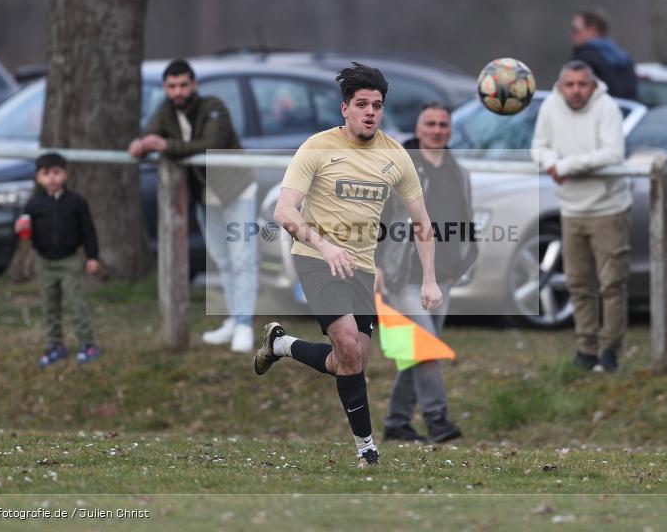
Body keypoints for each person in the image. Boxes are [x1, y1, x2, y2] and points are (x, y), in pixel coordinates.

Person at [253, 62, 442, 468]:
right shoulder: (317, 148)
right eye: (362, 104)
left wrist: (430, 280)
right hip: (316, 259)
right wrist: (324, 246)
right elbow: (284, 211)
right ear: (345, 109)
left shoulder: (396, 157)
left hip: (361, 267)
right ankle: (367, 451)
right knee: (349, 347)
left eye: (377, 104)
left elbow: (422, 223)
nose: (370, 111)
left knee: (348, 361)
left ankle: (281, 345)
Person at [129, 59, 257, 353]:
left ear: (194, 85)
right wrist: (141, 144)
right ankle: (232, 319)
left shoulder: (214, 107)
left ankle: (244, 324)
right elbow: (149, 135)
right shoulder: (166, 110)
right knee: (222, 259)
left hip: (237, 191)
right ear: (166, 88)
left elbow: (207, 145)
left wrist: (163, 145)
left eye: (184, 85)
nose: (178, 92)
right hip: (205, 194)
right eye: (172, 86)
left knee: (242, 258)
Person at [375, 102, 477, 443]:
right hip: (404, 275)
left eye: (443, 125)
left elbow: (465, 218)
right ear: (418, 129)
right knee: (426, 348)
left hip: (442, 276)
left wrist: (466, 256)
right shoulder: (400, 166)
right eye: (430, 124)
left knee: (417, 351)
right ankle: (438, 421)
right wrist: (375, 263)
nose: (436, 130)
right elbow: (379, 218)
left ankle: (396, 423)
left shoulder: (457, 170)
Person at [532, 60, 632, 373]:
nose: (576, 90)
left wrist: (564, 167)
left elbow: (612, 153)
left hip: (608, 208)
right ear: (561, 86)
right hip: (571, 209)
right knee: (578, 283)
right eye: (570, 84)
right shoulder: (550, 105)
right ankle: (586, 348)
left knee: (612, 284)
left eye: (582, 84)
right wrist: (550, 161)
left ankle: (610, 351)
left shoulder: (607, 108)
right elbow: (538, 146)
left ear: (593, 85)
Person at [17, 152, 101, 367]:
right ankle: (54, 345)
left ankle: (87, 343)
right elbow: (26, 231)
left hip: (70, 260)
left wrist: (92, 257)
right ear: (38, 178)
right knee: (49, 305)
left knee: (76, 302)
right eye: (46, 174)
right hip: (45, 262)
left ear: (65, 174)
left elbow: (88, 231)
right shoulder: (34, 205)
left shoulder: (76, 202)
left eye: (56, 172)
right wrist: (21, 230)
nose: (52, 178)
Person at [570, 10, 637, 100]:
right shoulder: (624, 58)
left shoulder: (583, 57)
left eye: (575, 30)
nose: (572, 34)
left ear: (592, 29)